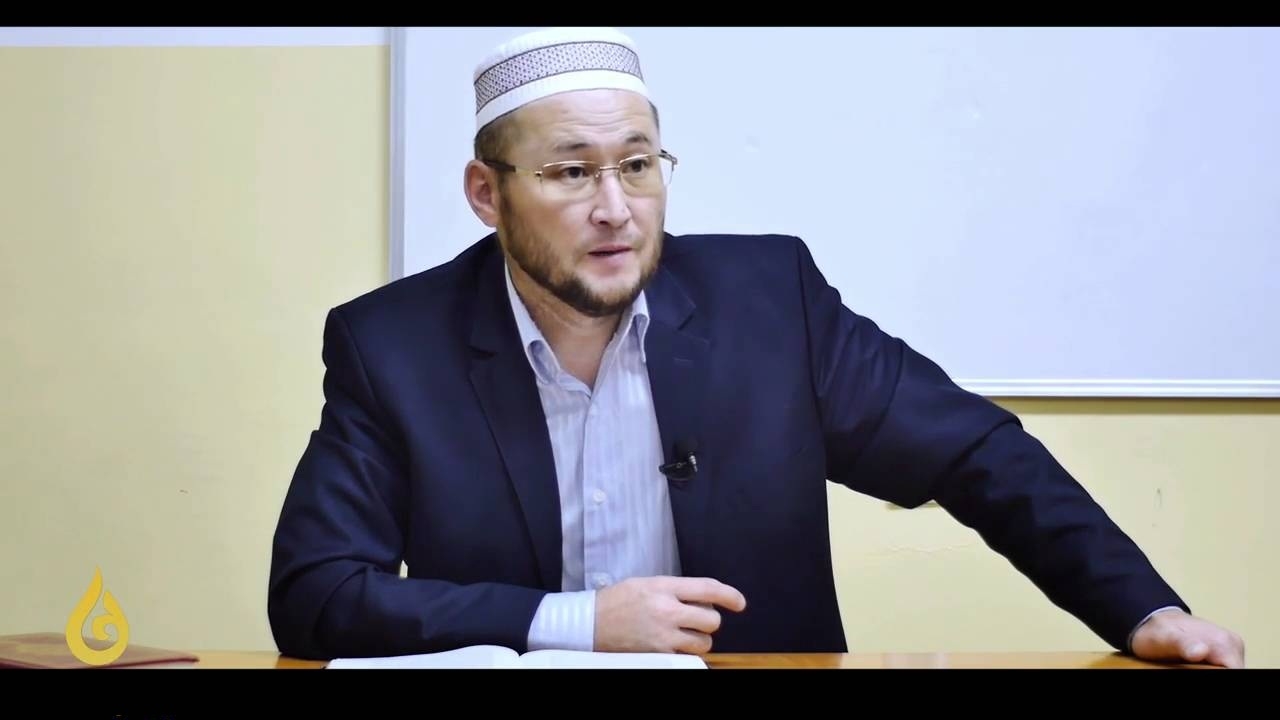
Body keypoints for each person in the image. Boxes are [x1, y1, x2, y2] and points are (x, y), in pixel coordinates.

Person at [267, 26, 1245, 667]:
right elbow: (317, 595)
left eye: (638, 166)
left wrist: (1143, 612)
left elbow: (977, 455)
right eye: (569, 173)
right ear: (487, 194)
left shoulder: (768, 303)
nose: (615, 209)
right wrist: (577, 623)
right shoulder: (393, 347)